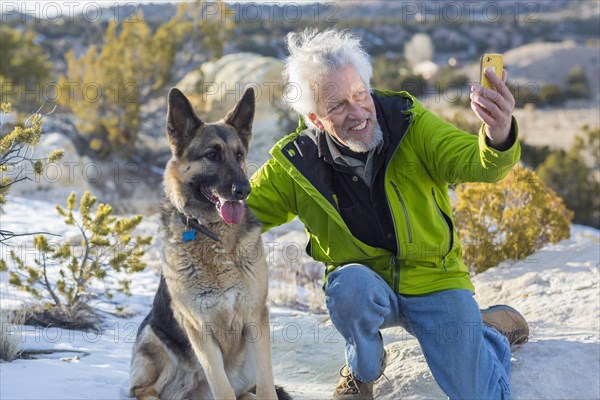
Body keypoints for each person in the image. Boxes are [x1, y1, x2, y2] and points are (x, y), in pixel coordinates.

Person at [247, 28, 528, 399]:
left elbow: (477, 163)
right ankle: (363, 370)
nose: (358, 112)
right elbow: (239, 214)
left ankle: (488, 331)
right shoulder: (295, 163)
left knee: (477, 393)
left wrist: (498, 133)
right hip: (366, 291)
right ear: (315, 120)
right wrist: (190, 220)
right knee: (348, 287)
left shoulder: (409, 122)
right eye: (338, 106)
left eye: (359, 94)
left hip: (435, 280)